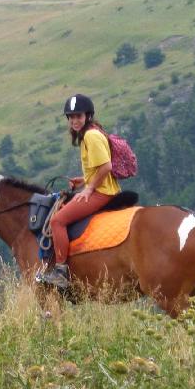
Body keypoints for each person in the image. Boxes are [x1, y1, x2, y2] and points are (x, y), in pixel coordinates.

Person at [39, 94, 121, 289]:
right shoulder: (91, 132)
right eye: (71, 117)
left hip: (102, 192)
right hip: (103, 188)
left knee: (57, 221)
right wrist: (83, 180)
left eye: (79, 116)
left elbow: (107, 167)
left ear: (88, 116)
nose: (75, 121)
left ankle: (61, 271)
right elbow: (97, 167)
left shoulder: (91, 136)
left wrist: (89, 188)